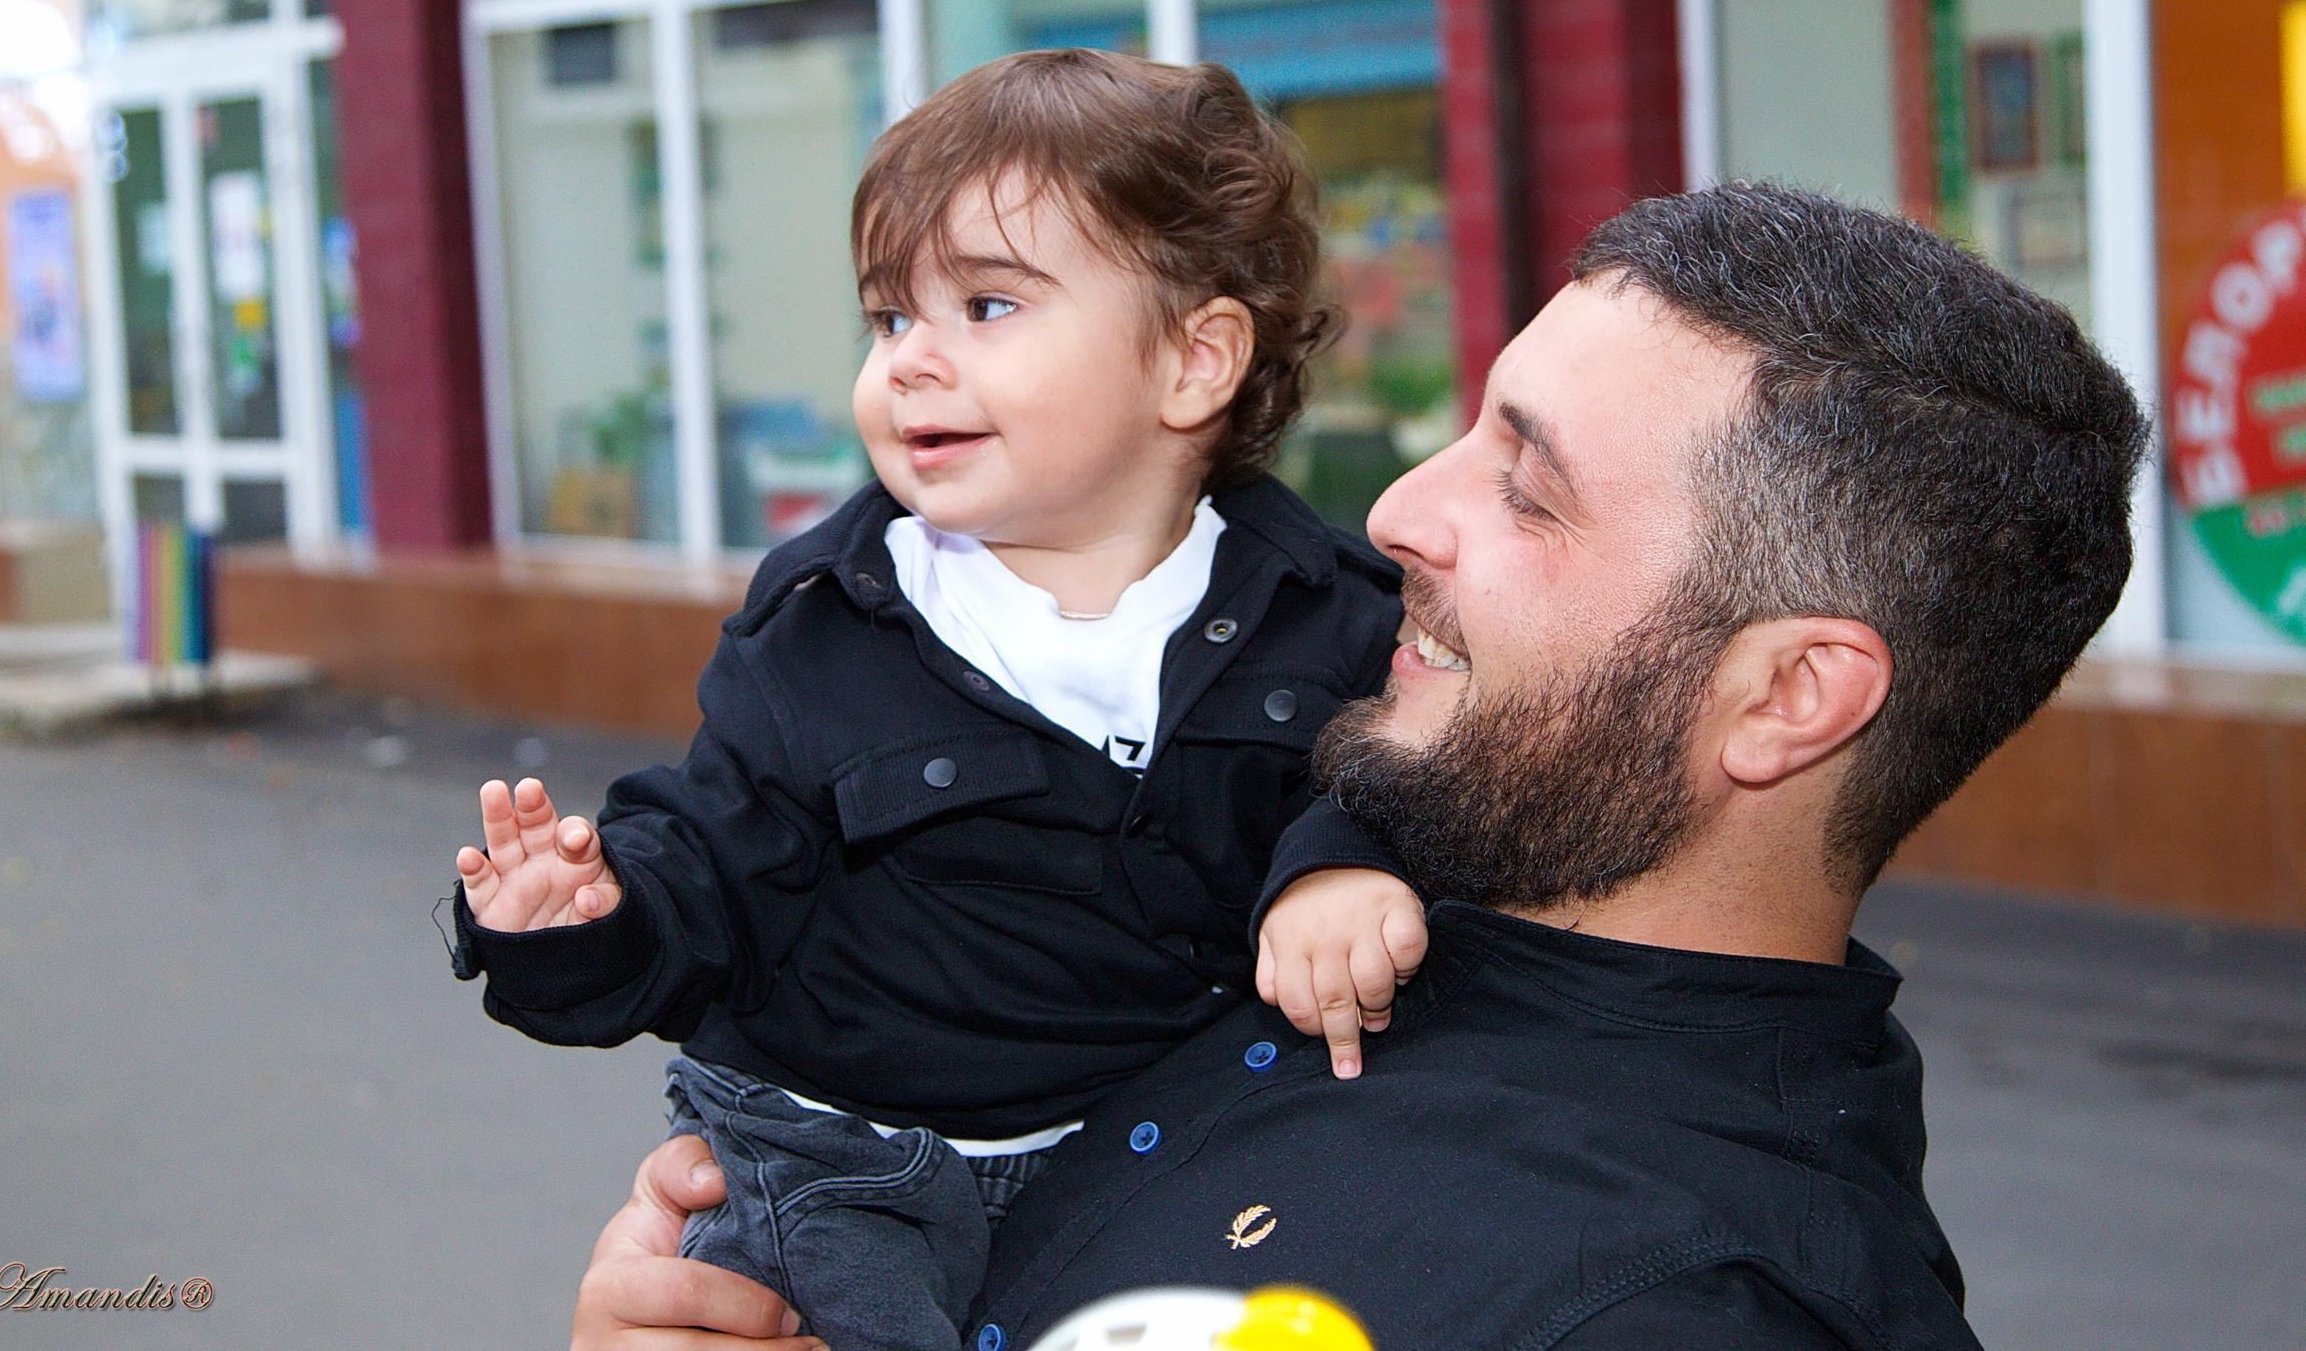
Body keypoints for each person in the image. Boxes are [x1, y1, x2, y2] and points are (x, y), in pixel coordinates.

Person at [566, 183, 2149, 1351]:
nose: (1396, 511)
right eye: (1468, 429)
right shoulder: (1353, 892)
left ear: (1790, 695)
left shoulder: (1682, 1302)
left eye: (1527, 492)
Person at [448, 52, 1434, 1351]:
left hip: (1168, 1143)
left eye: (986, 306)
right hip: (848, 1162)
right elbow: (713, 854)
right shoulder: (828, 617)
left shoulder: (1332, 614)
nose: (909, 362)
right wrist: (585, 921)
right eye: (888, 319)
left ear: (1195, 363)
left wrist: (1340, 868)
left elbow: (1401, 778)